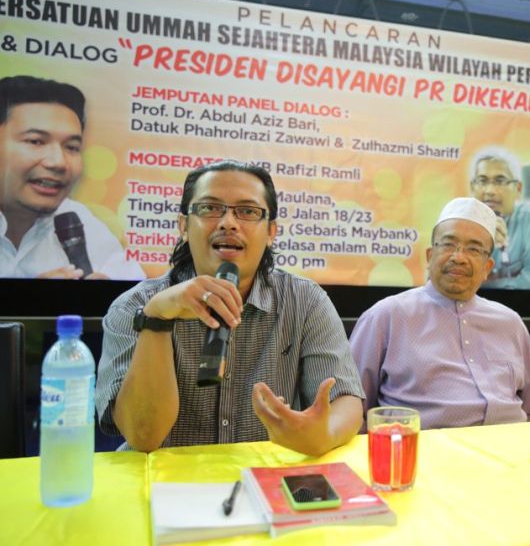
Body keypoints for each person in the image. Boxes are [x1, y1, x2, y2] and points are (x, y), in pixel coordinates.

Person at [95, 160, 365, 455]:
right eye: (210, 208)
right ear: (184, 225)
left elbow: (346, 401)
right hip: (165, 487)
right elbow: (143, 435)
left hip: (264, 484)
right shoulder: (134, 307)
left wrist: (323, 434)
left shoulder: (305, 301)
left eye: (247, 211)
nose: (228, 223)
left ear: (271, 232)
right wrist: (157, 319)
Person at [349, 197, 530, 429]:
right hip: (425, 457)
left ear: (487, 268)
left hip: (510, 453)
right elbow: (351, 409)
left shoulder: (510, 323)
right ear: (429, 256)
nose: (458, 257)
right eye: (448, 244)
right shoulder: (386, 317)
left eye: (473, 249)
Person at [0, 75, 144, 279]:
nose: (58, 162)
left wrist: (110, 301)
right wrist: (30, 301)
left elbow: (138, 298)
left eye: (72, 147)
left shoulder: (74, 220)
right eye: (36, 141)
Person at [469, 146, 530, 289]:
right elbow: (443, 282)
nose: (490, 191)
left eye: (500, 181)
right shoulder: (458, 222)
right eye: (482, 181)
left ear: (518, 189)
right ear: (472, 187)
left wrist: (481, 286)